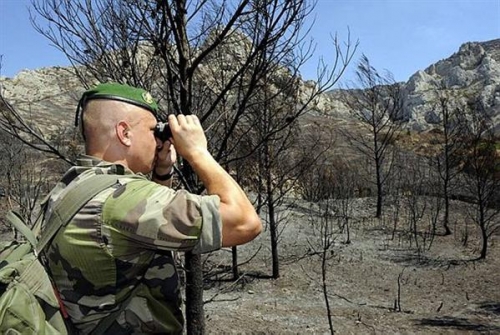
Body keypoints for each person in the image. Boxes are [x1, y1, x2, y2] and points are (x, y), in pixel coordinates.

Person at [41, 82, 262, 334]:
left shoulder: (72, 185)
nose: (157, 141)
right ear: (124, 133)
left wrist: (162, 171)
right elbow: (245, 223)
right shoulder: (121, 200)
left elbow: (143, 227)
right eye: (151, 130)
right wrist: (198, 152)